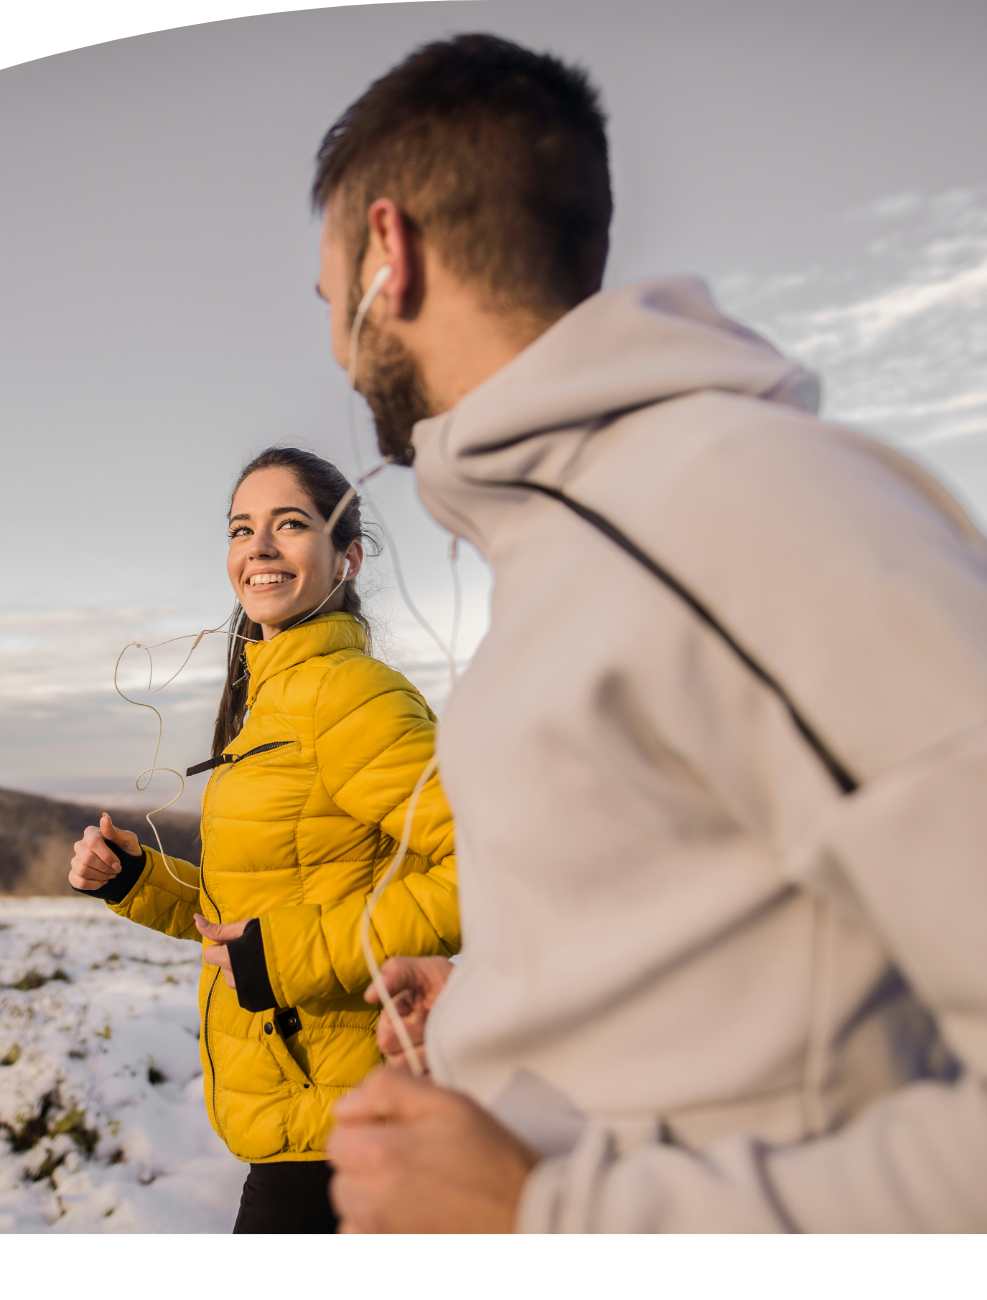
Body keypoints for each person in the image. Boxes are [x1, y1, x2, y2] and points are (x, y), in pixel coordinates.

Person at [312, 34, 987, 1232]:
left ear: (387, 254)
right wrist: (485, 1012)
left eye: (327, 301)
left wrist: (545, 1212)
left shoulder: (744, 509)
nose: (333, 347)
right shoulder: (573, 540)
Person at [69, 446, 460, 1234]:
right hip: (301, 1121)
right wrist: (137, 880)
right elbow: (261, 906)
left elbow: (489, 870)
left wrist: (283, 958)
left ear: (347, 557)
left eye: (290, 524)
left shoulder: (354, 696)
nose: (260, 547)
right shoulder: (272, 706)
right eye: (242, 528)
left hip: (348, 1125)